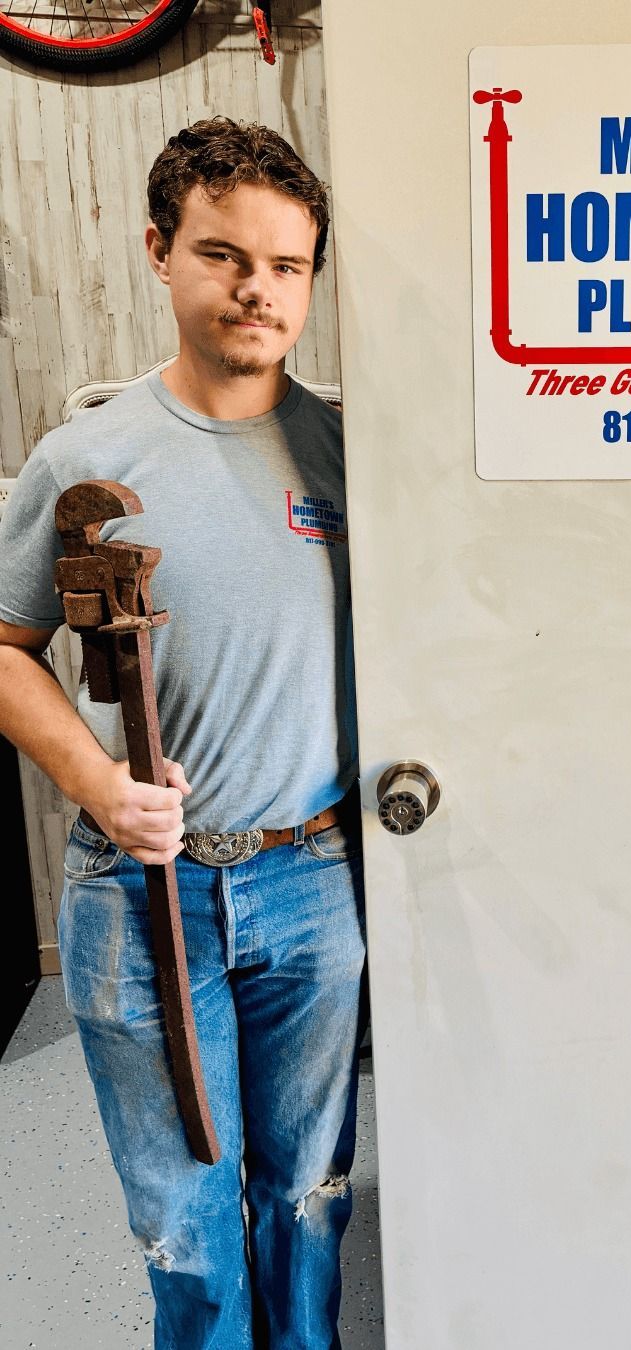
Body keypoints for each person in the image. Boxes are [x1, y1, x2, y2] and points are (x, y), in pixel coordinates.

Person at [0, 118, 364, 1349]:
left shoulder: (345, 460)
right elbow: (2, 646)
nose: (258, 290)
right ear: (161, 252)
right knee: (186, 1224)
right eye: (225, 255)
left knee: (306, 1202)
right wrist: (100, 783)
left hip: (314, 876)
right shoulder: (86, 458)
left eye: (288, 266)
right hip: (137, 885)